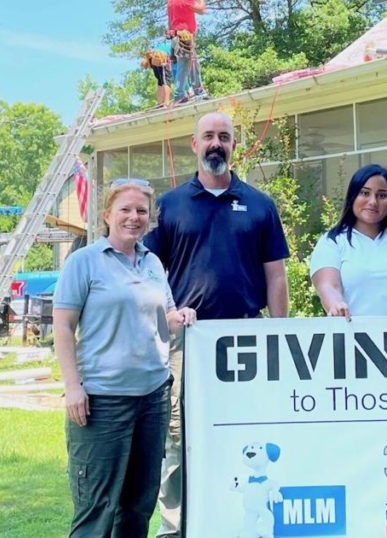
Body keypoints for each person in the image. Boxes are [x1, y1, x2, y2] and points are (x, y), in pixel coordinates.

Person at [144, 111, 290, 537]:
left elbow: (276, 274)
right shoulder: (169, 206)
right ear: (194, 144)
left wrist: (279, 334)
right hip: (187, 341)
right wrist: (166, 319)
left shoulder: (260, 204)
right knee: (177, 432)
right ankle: (174, 528)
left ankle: (235, 522)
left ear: (233, 145)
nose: (216, 144)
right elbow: (150, 273)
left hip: (247, 338)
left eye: (224, 137)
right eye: (208, 136)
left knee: (247, 429)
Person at [54, 178, 197, 537]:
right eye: (126, 209)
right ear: (107, 215)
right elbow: (63, 327)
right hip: (102, 402)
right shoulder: (84, 262)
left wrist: (181, 317)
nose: (134, 217)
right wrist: (73, 387)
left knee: (138, 506)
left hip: (152, 400)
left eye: (141, 211)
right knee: (97, 508)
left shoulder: (153, 263)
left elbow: (164, 321)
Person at [310, 163, 387, 317]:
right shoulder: (332, 241)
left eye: (382, 195)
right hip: (353, 336)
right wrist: (336, 305)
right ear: (353, 196)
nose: (373, 202)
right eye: (364, 193)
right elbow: (328, 286)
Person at [167, 0, 207, 102]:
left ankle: (183, 93)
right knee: (189, 64)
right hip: (184, 37)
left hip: (177, 35)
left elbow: (170, 22)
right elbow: (202, 10)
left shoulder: (170, 2)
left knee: (189, 64)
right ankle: (191, 92)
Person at [141, 41, 173, 108]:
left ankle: (160, 103)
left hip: (153, 57)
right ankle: (166, 103)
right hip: (160, 56)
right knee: (166, 81)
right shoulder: (173, 42)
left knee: (160, 82)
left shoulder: (161, 43)